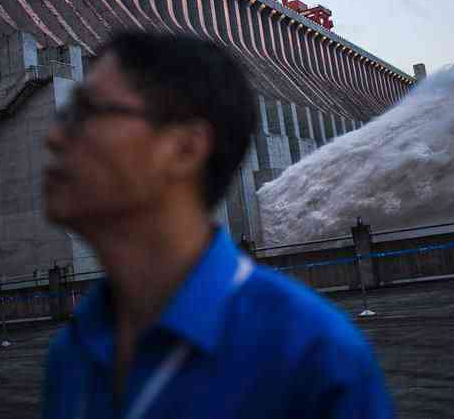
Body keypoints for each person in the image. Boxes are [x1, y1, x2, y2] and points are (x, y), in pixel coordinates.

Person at [41, 31, 394, 419]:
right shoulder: (73, 350)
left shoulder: (310, 357)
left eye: (89, 113)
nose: (56, 137)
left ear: (185, 148)